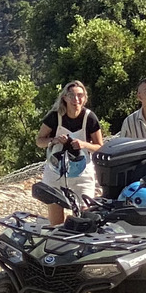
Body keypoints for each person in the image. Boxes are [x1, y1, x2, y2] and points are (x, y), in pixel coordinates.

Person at [35, 81, 103, 223]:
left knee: (84, 218)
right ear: (64, 98)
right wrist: (53, 140)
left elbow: (99, 146)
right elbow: (39, 141)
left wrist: (83, 144)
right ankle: (57, 241)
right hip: (56, 171)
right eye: (71, 95)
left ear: (85, 98)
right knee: (56, 220)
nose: (76, 99)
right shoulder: (54, 117)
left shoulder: (90, 118)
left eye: (80, 95)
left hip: (82, 171)